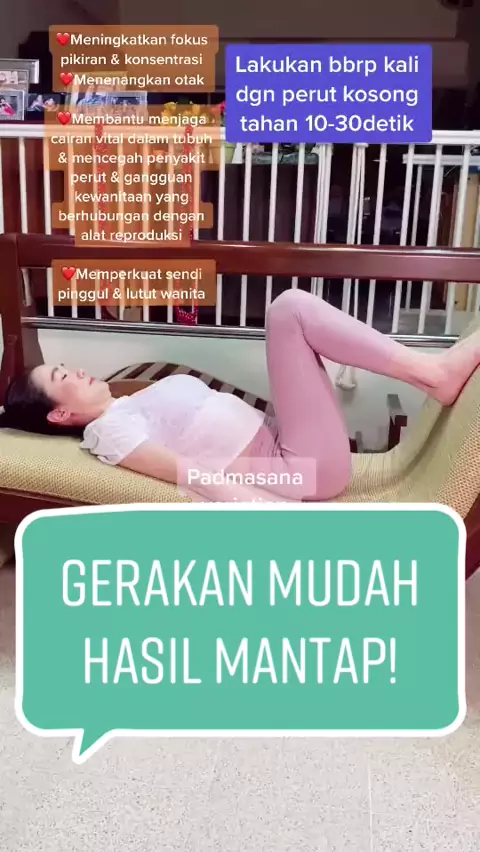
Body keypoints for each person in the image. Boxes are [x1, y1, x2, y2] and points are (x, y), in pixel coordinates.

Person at [2, 289, 480, 503]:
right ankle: (432, 374)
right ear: (61, 413)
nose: (76, 370)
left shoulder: (125, 403)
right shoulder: (109, 432)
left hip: (292, 450)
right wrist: (279, 523)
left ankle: (431, 372)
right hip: (300, 471)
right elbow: (194, 477)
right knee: (289, 310)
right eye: (61, 375)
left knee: (293, 317)